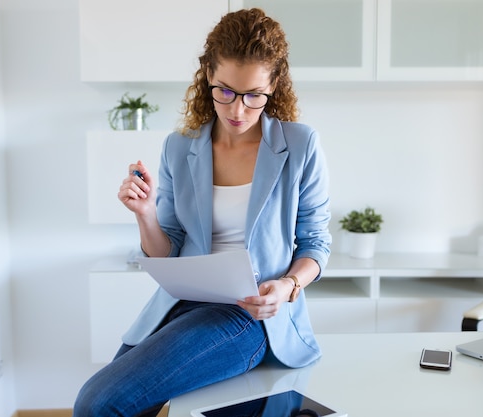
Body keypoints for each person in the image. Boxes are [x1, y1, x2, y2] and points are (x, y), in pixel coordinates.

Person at [73, 8, 331, 417]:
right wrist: (144, 214)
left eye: (254, 96)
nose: (238, 110)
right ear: (208, 74)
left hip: (250, 314)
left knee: (98, 404)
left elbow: (316, 243)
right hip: (181, 303)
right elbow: (166, 250)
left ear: (274, 86)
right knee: (98, 401)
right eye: (225, 91)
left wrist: (287, 286)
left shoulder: (300, 145)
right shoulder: (180, 146)